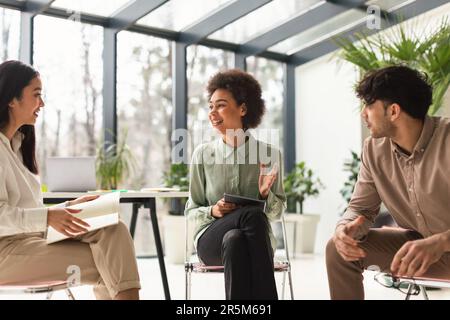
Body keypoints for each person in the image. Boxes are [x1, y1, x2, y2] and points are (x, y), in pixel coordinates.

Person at [0, 60, 140, 300]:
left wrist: (66, 208)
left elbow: (25, 210)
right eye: (36, 95)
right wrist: (48, 217)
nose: (41, 103)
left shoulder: (17, 146)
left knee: (113, 227)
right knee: (110, 264)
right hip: (6, 253)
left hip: (30, 239)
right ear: (12, 99)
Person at [326, 65, 450, 300]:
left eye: (369, 105)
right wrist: (345, 229)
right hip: (418, 251)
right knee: (337, 249)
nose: (363, 114)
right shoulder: (374, 151)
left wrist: (442, 241)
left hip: (440, 246)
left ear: (393, 111)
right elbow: (360, 208)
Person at [185, 69, 286, 300]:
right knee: (251, 215)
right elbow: (190, 211)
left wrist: (265, 195)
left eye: (220, 105)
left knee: (235, 240)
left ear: (243, 108)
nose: (212, 112)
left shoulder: (269, 155)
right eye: (210, 106)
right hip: (210, 241)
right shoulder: (203, 154)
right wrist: (213, 210)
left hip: (254, 243)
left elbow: (278, 211)